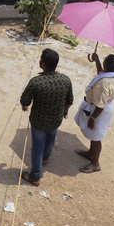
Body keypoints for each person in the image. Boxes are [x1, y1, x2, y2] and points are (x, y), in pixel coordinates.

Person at [19, 48, 75, 186]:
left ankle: (35, 176)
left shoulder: (36, 82)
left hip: (39, 121)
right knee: (51, 137)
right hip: (56, 119)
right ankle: (45, 158)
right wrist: (65, 111)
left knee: (37, 146)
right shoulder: (65, 80)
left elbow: (25, 100)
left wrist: (24, 105)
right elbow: (69, 100)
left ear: (43, 63)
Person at [73, 49, 114, 173]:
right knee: (94, 134)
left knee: (96, 136)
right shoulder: (112, 76)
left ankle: (95, 163)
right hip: (102, 107)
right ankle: (91, 153)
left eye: (104, 62)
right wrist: (97, 60)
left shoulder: (104, 83)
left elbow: (100, 105)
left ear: (106, 66)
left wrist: (93, 118)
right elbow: (101, 72)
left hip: (99, 111)